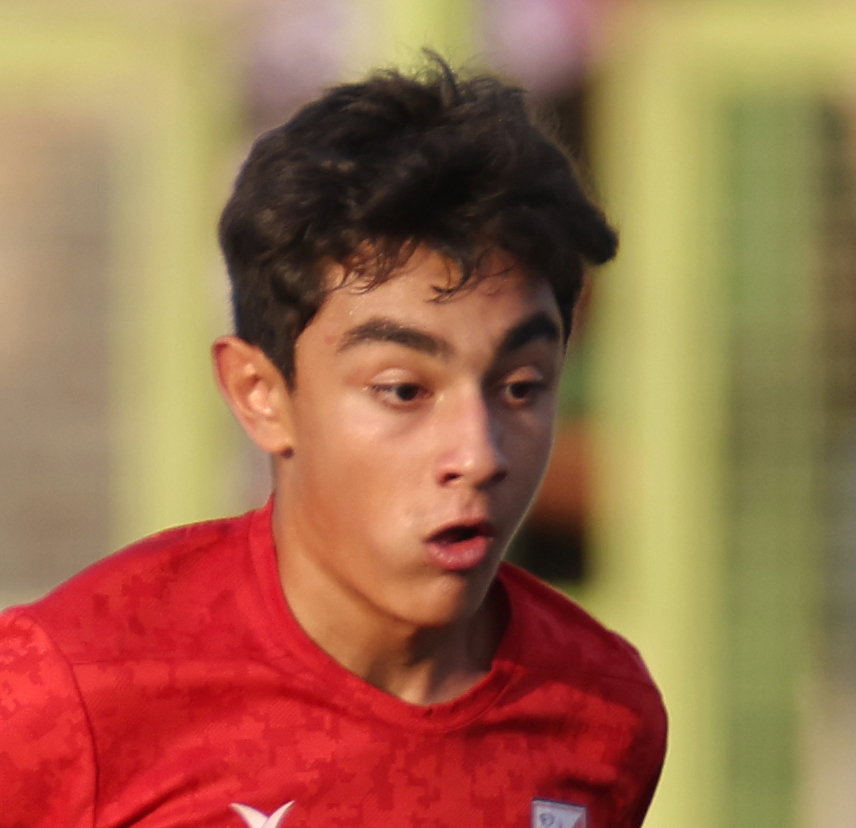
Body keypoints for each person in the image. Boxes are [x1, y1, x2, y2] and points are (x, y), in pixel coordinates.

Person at [0, 57, 666, 828]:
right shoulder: (65, 691)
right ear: (260, 394)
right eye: (403, 390)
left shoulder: (604, 713)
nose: (478, 455)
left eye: (520, 387)